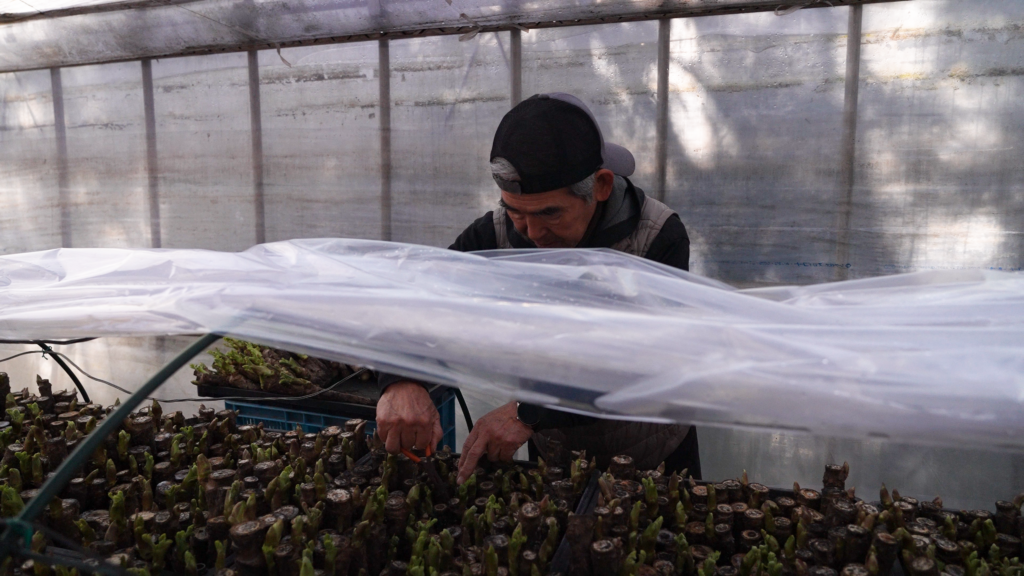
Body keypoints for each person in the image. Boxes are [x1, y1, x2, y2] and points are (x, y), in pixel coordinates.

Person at [375, 92, 700, 483]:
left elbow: (651, 360)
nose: (531, 232)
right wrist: (400, 377)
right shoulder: (496, 233)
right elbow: (418, 293)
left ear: (600, 185)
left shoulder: (656, 237)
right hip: (555, 451)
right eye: (516, 211)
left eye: (550, 213)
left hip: (653, 453)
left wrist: (526, 413)